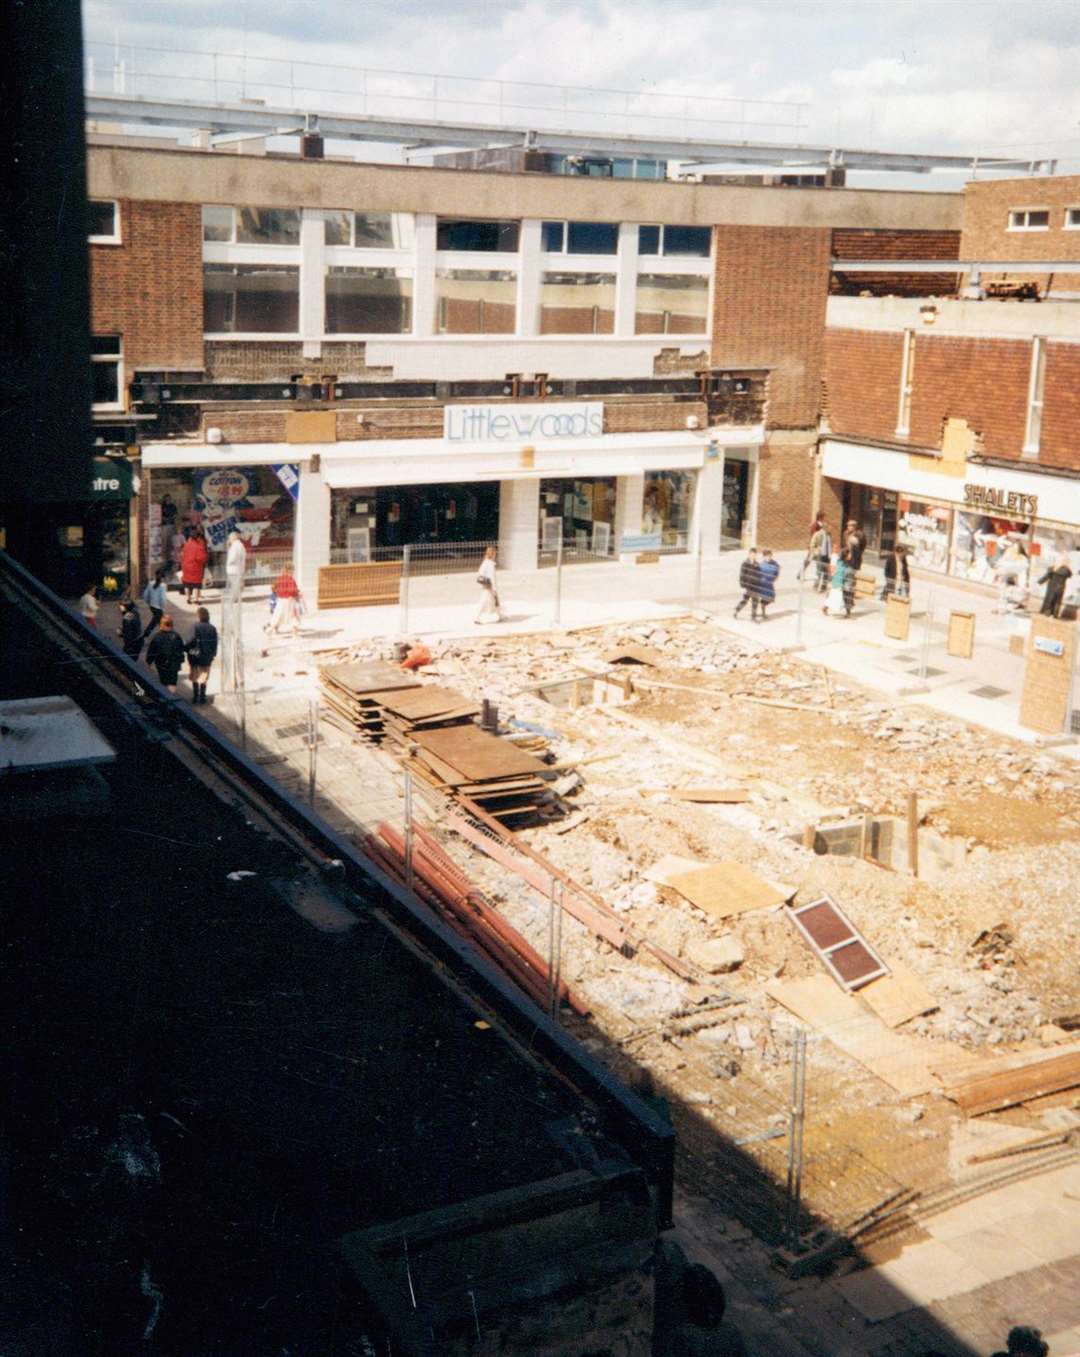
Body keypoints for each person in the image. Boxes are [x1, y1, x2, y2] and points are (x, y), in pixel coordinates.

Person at [185, 606, 218, 705]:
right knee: (204, 674)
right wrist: (213, 654)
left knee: (194, 674)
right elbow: (214, 643)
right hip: (206, 655)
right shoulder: (212, 628)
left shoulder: (195, 627)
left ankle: (195, 696)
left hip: (195, 655)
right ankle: (203, 696)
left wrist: (185, 648)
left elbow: (191, 640)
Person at [145, 614, 186, 692]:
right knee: (172, 683)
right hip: (174, 664)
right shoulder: (176, 636)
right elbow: (181, 649)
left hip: (162, 664)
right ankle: (171, 696)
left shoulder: (157, 637)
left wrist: (149, 662)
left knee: (163, 682)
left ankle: (165, 697)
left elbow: (152, 651)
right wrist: (180, 660)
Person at [265, 562, 303, 636]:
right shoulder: (291, 580)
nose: (293, 573)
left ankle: (270, 629)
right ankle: (294, 634)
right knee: (293, 616)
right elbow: (293, 590)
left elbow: (274, 587)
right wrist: (298, 594)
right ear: (290, 570)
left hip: (281, 601)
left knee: (278, 615)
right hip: (290, 601)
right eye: (292, 571)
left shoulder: (279, 579)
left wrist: (278, 593)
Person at [475, 545, 505, 624]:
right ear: (493, 554)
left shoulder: (485, 562)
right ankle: (477, 618)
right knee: (486, 602)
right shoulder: (490, 564)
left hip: (486, 585)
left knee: (495, 601)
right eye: (495, 554)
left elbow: (480, 573)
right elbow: (492, 577)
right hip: (490, 586)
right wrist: (494, 588)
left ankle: (500, 615)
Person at [179, 526, 209, 605]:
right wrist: (205, 559)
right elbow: (201, 558)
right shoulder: (199, 546)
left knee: (187, 583)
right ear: (198, 537)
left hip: (186, 566)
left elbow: (182, 554)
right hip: (195, 567)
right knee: (196, 584)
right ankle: (196, 599)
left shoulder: (187, 544)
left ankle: (188, 598)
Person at [733, 547, 763, 620]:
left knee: (755, 601)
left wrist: (760, 583)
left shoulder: (757, 564)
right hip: (748, 586)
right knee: (745, 600)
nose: (753, 556)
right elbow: (742, 575)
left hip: (756, 586)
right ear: (749, 554)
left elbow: (759, 574)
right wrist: (743, 585)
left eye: (755, 554)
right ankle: (736, 611)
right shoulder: (745, 563)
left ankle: (753, 617)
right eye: (752, 554)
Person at [141, 568, 169, 640]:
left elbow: (145, 595)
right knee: (156, 621)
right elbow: (162, 598)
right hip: (158, 607)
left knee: (158, 620)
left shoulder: (151, 583)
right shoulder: (163, 586)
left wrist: (148, 602)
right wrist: (163, 607)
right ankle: (146, 633)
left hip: (152, 606)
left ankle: (163, 634)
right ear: (163, 577)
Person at [823, 551, 852, 617]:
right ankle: (825, 608)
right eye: (849, 554)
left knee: (835, 597)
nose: (850, 556)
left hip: (839, 583)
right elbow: (840, 574)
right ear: (846, 556)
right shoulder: (842, 565)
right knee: (837, 597)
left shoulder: (841, 563)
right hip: (839, 584)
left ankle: (825, 608)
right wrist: (840, 585)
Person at [810, 518, 833, 593]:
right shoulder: (818, 534)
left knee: (826, 572)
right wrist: (816, 552)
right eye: (828, 527)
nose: (830, 528)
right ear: (824, 528)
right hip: (820, 555)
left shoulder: (829, 535)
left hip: (827, 556)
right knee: (819, 572)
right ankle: (816, 586)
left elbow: (830, 545)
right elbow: (812, 545)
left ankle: (823, 587)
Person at [757, 549, 780, 620]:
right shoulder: (761, 565)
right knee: (764, 598)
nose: (769, 557)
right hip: (762, 583)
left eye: (770, 556)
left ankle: (762, 607)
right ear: (764, 557)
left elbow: (777, 571)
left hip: (769, 584)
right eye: (767, 556)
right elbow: (757, 574)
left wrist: (775, 578)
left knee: (771, 597)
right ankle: (763, 612)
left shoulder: (775, 563)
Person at [225, 531, 247, 604]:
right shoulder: (240, 545)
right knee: (237, 584)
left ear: (233, 538)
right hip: (238, 568)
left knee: (234, 585)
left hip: (234, 569)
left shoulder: (235, 546)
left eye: (230, 538)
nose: (229, 539)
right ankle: (237, 598)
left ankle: (235, 598)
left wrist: (229, 562)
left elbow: (232, 558)